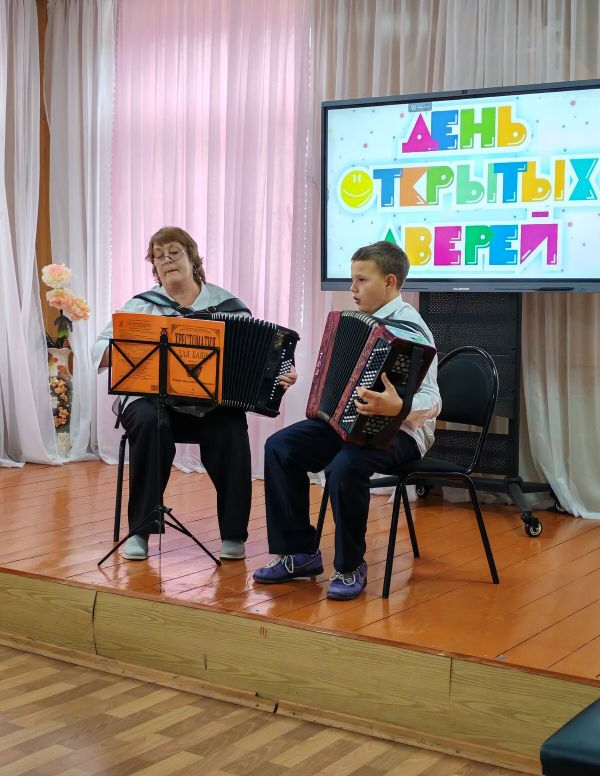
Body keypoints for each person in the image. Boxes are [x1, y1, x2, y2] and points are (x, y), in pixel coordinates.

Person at [93, 226, 296, 562]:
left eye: (174, 252)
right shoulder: (141, 306)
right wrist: (126, 346)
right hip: (150, 402)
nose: (166, 260)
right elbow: (99, 349)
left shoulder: (227, 306)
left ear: (193, 258)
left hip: (207, 407)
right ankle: (140, 530)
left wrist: (280, 375)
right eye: (158, 256)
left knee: (230, 426)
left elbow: (261, 362)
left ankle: (234, 534)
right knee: (149, 421)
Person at [253, 241, 441, 600]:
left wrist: (398, 406)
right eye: (352, 279)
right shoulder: (358, 321)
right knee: (280, 446)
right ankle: (299, 553)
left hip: (402, 433)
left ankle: (350, 565)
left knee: (345, 465)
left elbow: (434, 401)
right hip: (348, 424)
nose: (352, 289)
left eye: (361, 280)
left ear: (390, 282)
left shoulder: (412, 330)